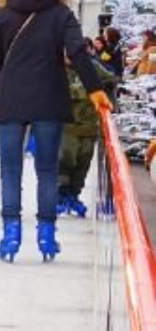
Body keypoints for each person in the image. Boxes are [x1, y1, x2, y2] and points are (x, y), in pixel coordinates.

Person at [0, 0, 109, 263]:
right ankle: (47, 234)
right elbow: (77, 52)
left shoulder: (2, 14)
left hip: (9, 99)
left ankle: (11, 233)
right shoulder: (61, 14)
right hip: (49, 97)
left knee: (11, 169)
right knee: (47, 170)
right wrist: (94, 89)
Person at [56, 55, 117, 218]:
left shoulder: (92, 66)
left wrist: (107, 87)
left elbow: (111, 79)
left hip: (89, 124)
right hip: (67, 124)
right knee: (66, 158)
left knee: (83, 161)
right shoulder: (55, 67)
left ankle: (74, 194)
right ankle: (61, 194)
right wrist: (87, 89)